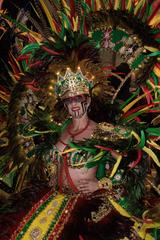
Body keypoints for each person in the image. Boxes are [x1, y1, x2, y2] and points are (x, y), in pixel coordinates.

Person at [11, 66, 137, 240]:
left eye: (79, 99)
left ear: (89, 100)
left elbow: (131, 163)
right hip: (56, 197)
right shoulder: (63, 128)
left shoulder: (101, 131)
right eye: (69, 101)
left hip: (85, 203)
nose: (74, 105)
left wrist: (101, 184)